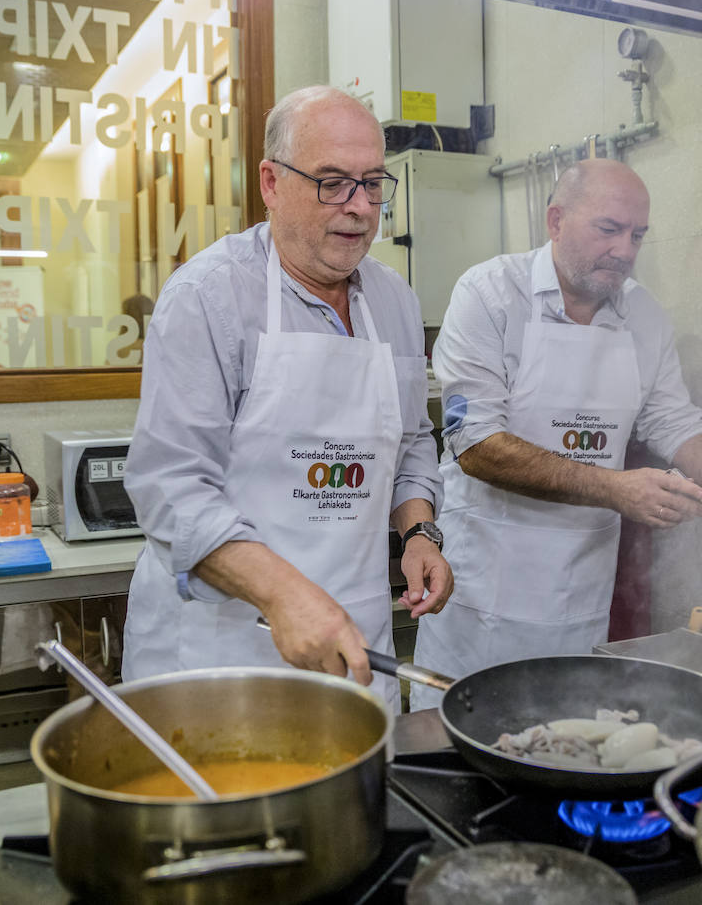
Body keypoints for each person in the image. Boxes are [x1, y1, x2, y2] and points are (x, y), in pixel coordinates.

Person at [410, 158, 702, 709]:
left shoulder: (643, 315)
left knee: (565, 748)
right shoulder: (490, 294)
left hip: (580, 604)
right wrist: (616, 489)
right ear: (556, 220)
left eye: (637, 235)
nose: (625, 250)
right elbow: (475, 446)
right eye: (608, 229)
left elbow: (677, 425)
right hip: (481, 606)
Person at [122, 86, 454, 711]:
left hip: (357, 639)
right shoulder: (209, 296)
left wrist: (419, 534)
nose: (359, 207)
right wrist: (281, 595)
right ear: (271, 183)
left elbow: (410, 441)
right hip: (225, 652)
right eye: (332, 182)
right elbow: (171, 488)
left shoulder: (395, 301)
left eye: (373, 183)